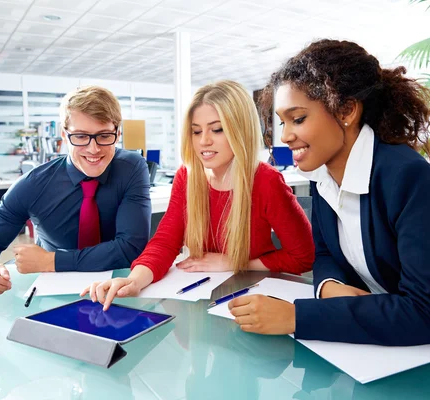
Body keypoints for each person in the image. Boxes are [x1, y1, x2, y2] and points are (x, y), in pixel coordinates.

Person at [229, 39, 430, 344]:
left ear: (346, 110)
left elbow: (429, 313)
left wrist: (296, 317)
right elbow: (325, 252)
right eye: (283, 122)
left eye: (298, 119)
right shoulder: (322, 175)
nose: (286, 136)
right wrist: (328, 285)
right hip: (386, 337)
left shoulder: (406, 175)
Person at [81, 80, 314, 309]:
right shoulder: (188, 176)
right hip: (201, 297)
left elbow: (303, 256)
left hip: (252, 298)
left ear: (240, 130)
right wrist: (134, 280)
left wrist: (236, 262)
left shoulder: (266, 180)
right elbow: (165, 242)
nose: (204, 141)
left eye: (217, 129)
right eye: (196, 131)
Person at [0, 85, 152, 296]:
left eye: (104, 136)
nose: (93, 149)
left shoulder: (131, 167)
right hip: (53, 293)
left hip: (118, 287)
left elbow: (130, 248)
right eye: (80, 136)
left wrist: (51, 260)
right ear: (64, 134)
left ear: (117, 132)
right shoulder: (34, 184)